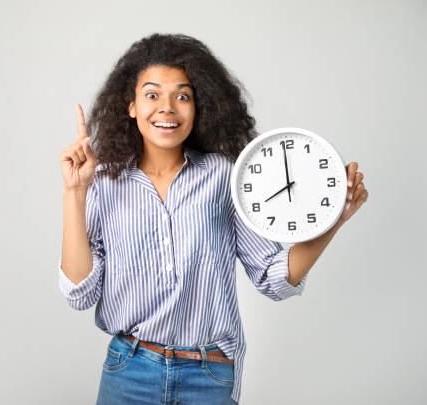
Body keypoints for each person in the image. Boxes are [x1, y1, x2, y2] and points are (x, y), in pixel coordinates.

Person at [57, 33, 368, 405]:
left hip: (208, 374)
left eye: (182, 96)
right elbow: (80, 292)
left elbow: (272, 276)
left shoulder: (224, 176)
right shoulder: (103, 182)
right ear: (131, 107)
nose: (167, 108)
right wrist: (75, 192)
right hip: (130, 371)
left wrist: (334, 220)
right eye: (152, 95)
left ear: (198, 106)